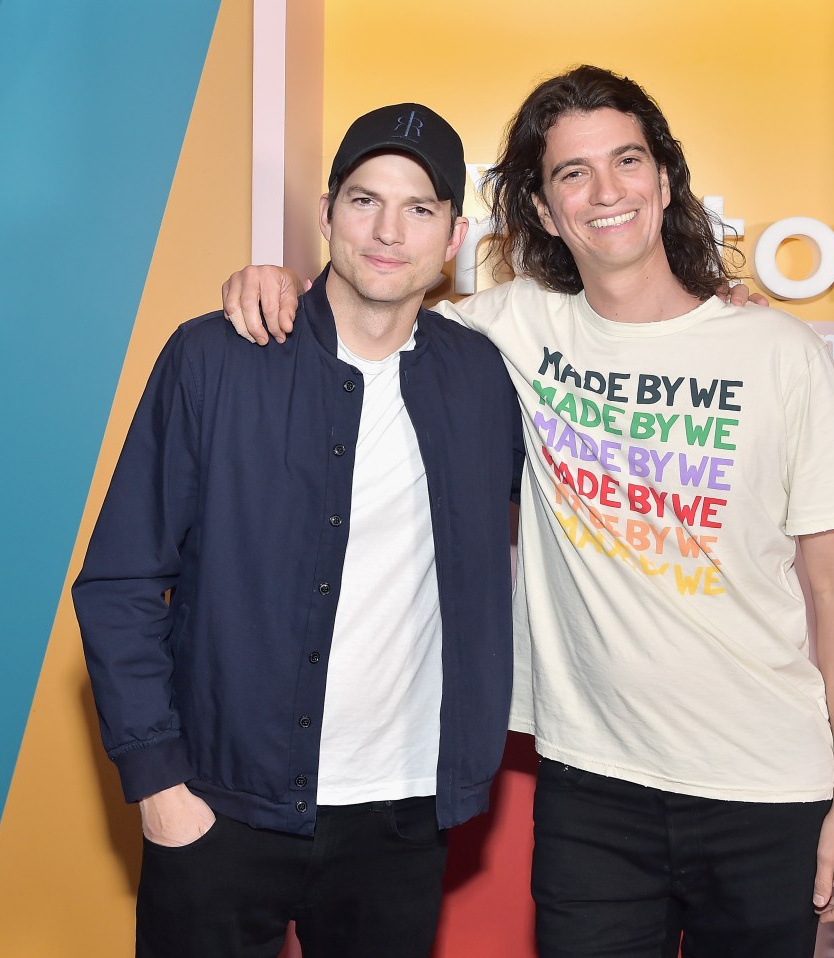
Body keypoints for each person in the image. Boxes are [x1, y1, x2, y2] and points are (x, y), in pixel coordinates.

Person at [221, 66, 834, 958]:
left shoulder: (777, 352)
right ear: (539, 208)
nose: (607, 192)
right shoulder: (510, 330)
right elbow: (379, 285)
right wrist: (276, 282)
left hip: (767, 787)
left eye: (627, 161)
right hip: (593, 792)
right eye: (574, 173)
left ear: (665, 180)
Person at [73, 103, 524, 958]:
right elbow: (121, 583)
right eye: (364, 201)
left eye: (420, 209)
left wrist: (711, 311)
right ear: (325, 214)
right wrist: (159, 785)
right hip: (218, 805)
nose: (389, 231)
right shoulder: (216, 359)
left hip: (400, 817)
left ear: (455, 234)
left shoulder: (481, 380)